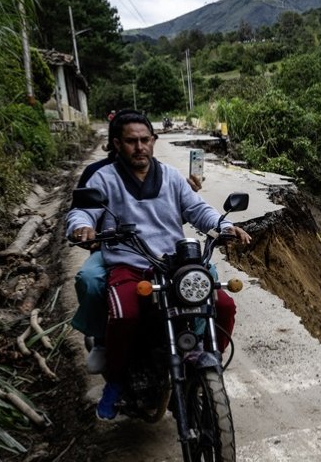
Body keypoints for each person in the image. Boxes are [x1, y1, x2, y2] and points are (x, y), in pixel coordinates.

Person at [66, 109, 250, 419]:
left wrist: (223, 226)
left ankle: (210, 363)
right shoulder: (104, 178)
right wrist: (81, 226)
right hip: (128, 260)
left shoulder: (171, 177)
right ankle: (116, 381)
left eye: (144, 140)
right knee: (125, 315)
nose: (139, 147)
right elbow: (82, 212)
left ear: (153, 141)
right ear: (117, 143)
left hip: (173, 263)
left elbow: (197, 209)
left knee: (223, 304)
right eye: (131, 141)